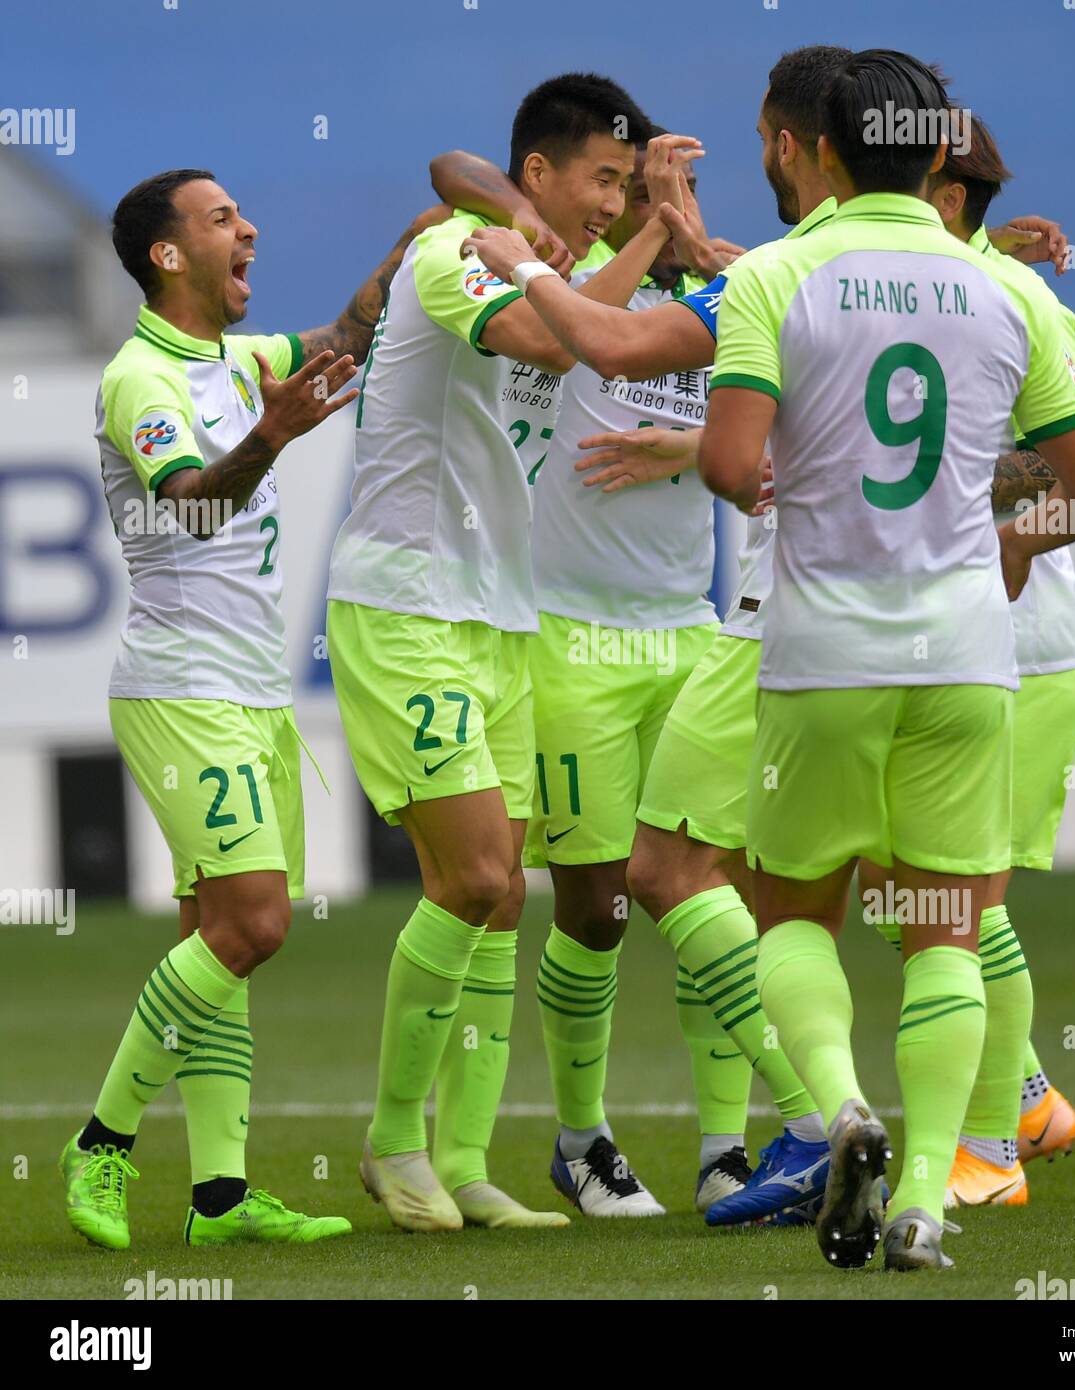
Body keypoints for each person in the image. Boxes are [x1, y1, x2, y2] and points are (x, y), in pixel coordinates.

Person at [696, 48, 1075, 1271]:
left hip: (822, 647)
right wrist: (995, 550)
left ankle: (837, 1109)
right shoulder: (1009, 293)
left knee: (793, 910)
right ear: (937, 156)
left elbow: (730, 467)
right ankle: (931, 1191)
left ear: (817, 150)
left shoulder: (776, 274)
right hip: (965, 659)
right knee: (945, 923)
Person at [325, 73, 693, 1232]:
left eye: (624, 186)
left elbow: (603, 330)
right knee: (476, 875)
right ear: (537, 173)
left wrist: (642, 234)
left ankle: (470, 1159)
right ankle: (394, 1143)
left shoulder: (546, 262)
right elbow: (562, 335)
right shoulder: (453, 255)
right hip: (405, 604)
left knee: (501, 905)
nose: (611, 201)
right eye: (601, 179)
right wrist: (628, 240)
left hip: (498, 616)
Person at [66, 167, 419, 1249]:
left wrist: (411, 250)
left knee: (220, 937)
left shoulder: (241, 359)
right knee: (257, 920)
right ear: (168, 255)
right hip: (183, 691)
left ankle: (218, 1196)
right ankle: (103, 1143)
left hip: (253, 693)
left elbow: (338, 342)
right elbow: (189, 502)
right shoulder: (140, 378)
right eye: (221, 219)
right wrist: (272, 438)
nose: (248, 227)